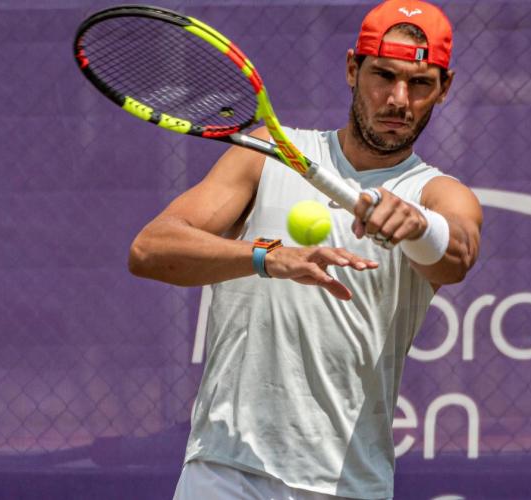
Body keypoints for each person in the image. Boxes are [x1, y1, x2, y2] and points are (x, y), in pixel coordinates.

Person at [128, 0, 482, 498]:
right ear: (352, 69)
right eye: (383, 75)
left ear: (444, 88)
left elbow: (457, 256)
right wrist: (266, 257)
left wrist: (420, 226)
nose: (398, 99)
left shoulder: (437, 193)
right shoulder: (267, 155)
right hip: (227, 468)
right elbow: (150, 248)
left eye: (420, 83)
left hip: (346, 483)